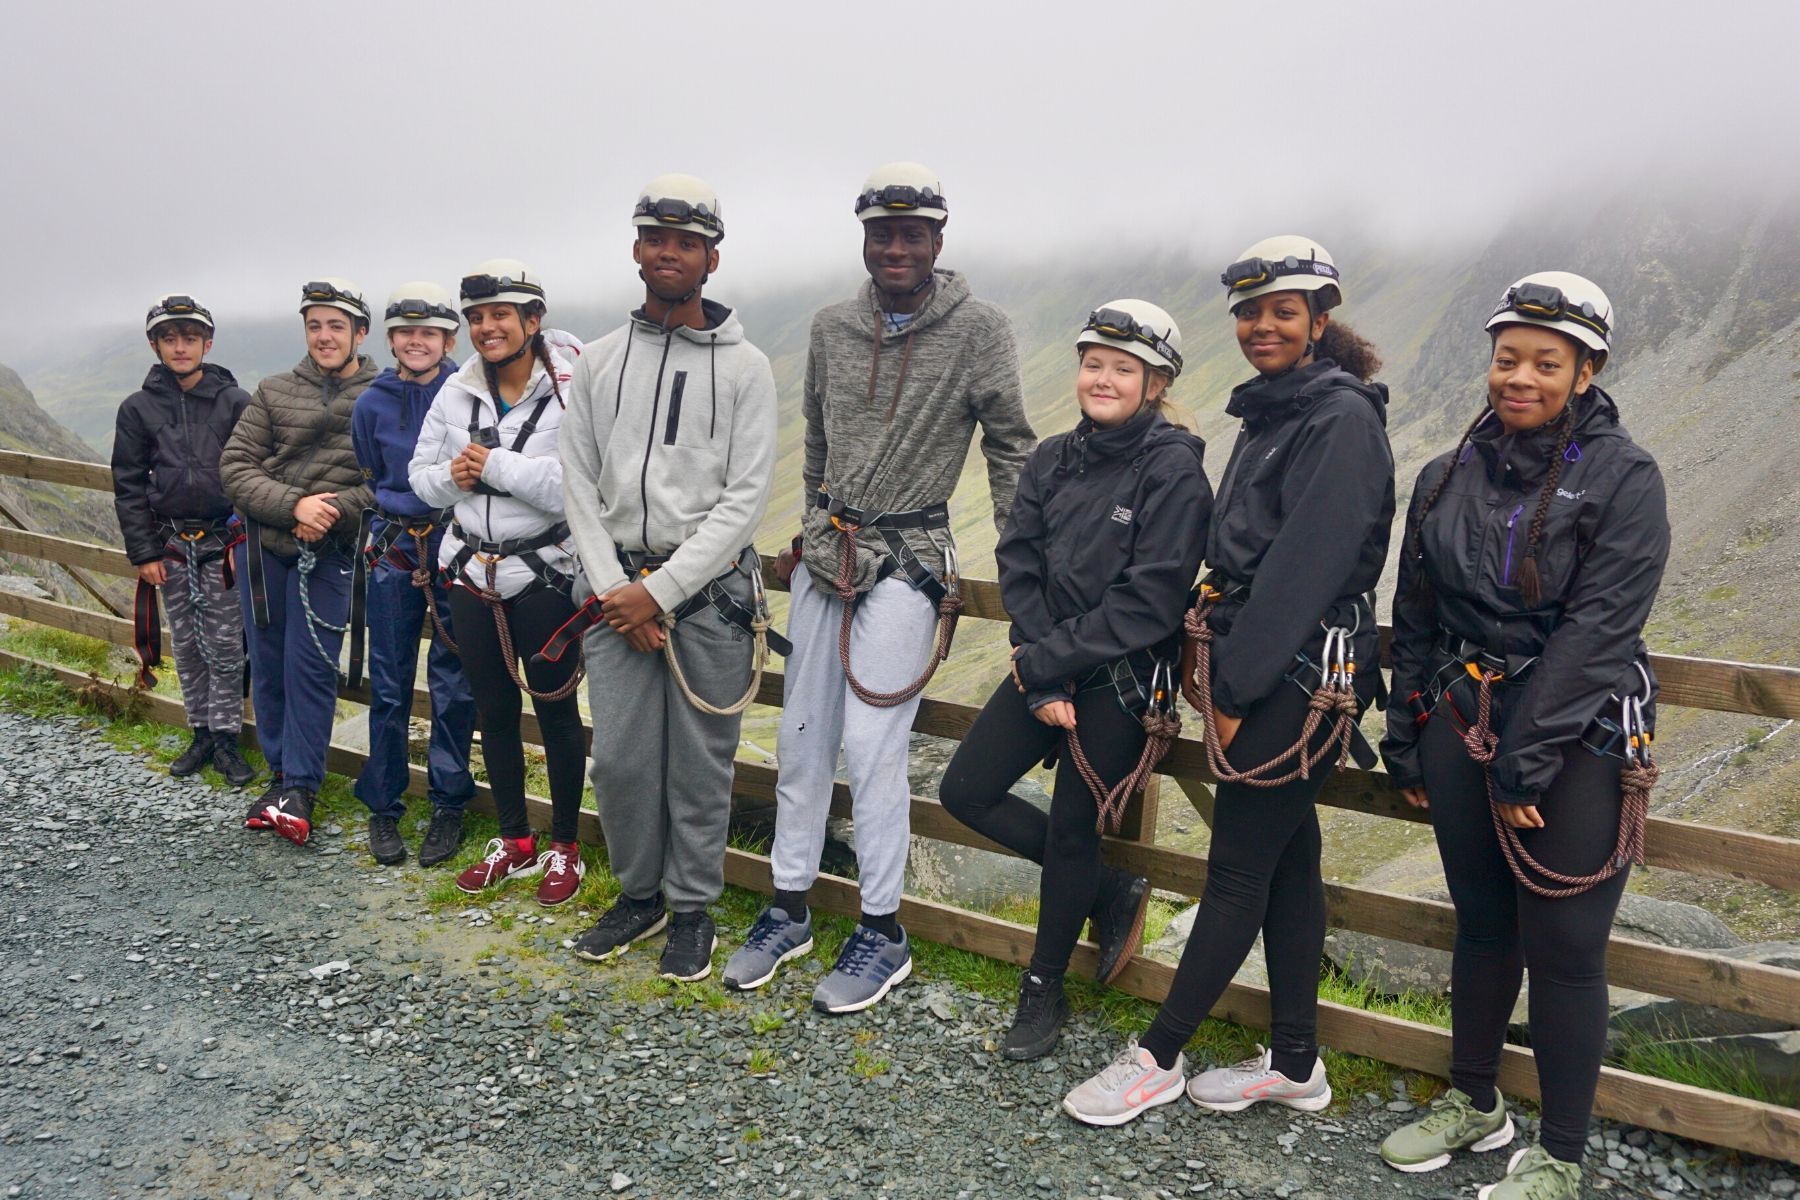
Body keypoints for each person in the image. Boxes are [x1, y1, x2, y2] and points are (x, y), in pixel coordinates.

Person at [1063, 235, 1394, 1125]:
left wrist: (1239, 693)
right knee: (1289, 863)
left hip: (1293, 664)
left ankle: (1156, 1055)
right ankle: (1295, 1065)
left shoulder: (1339, 419)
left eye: (1282, 309)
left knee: (1238, 867)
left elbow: (1307, 566)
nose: (1260, 325)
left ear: (1320, 319)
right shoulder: (1279, 410)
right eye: (1248, 311)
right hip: (1265, 653)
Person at [1377, 273, 1667, 1200]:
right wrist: (1405, 729)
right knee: (1485, 924)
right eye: (1509, 358)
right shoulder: (1447, 473)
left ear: (1587, 372)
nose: (1522, 377)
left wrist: (1524, 765)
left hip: (1574, 739)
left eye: (1548, 362)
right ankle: (1476, 1101)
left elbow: (1599, 633)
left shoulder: (1625, 479)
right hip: (1463, 720)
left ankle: (1564, 1155)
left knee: (1568, 947)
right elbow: (1415, 608)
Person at [722, 161, 1035, 1013]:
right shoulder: (831, 327)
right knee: (802, 739)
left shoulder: (979, 331)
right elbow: (819, 438)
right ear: (864, 238)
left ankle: (883, 930)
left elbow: (1009, 445)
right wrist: (816, 518)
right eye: (880, 232)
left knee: (872, 749)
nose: (895, 246)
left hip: (910, 559)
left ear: (938, 239)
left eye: (911, 233)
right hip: (831, 554)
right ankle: (788, 907)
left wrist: (1024, 564)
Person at [939, 300, 1210, 1059]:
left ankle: (1043, 986)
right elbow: (1019, 559)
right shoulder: (1052, 457)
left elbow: (1151, 598)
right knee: (966, 790)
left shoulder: (1174, 469)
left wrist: (1048, 664)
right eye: (1095, 362)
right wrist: (1037, 665)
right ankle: (1106, 889)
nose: (1104, 377)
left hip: (1120, 681)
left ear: (1156, 382)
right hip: (1048, 664)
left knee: (1068, 831)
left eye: (1124, 368)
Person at [555, 174, 779, 982]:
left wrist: (662, 592)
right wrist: (622, 591)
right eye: (656, 238)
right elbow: (579, 482)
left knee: (698, 762)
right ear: (637, 249)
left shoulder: (747, 368)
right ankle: (638, 894)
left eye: (687, 242)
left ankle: (692, 908)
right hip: (615, 597)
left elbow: (744, 498)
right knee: (617, 758)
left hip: (707, 599)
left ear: (710, 258)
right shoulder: (600, 363)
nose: (669, 253)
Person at [408, 261, 587, 907]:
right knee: (494, 711)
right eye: (476, 317)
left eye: (500, 315)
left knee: (556, 711)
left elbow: (578, 488)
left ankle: (565, 847)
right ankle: (516, 842)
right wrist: (455, 477)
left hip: (543, 575)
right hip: (472, 575)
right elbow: (418, 478)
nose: (486, 327)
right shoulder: (455, 391)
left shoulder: (572, 388)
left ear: (532, 321)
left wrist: (496, 466)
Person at [222, 279, 379, 844]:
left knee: (310, 669)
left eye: (337, 326)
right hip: (266, 553)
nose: (324, 335)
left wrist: (331, 511)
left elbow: (389, 481)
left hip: (330, 555)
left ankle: (301, 787)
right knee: (267, 666)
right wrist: (294, 506)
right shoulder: (274, 390)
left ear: (360, 333)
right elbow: (236, 467)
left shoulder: (381, 395)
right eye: (315, 325)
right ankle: (280, 776)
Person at [349, 283, 478, 867]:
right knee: (391, 679)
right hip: (396, 545)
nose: (416, 341)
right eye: (405, 332)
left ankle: (449, 805)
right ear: (391, 339)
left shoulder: (467, 394)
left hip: (455, 544)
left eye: (428, 332)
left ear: (448, 339)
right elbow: (370, 467)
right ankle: (385, 806)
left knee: (455, 680)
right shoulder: (371, 403)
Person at [112, 293, 256, 787]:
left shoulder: (236, 402)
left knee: (227, 647)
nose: (180, 347)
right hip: (171, 547)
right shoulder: (137, 409)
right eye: (169, 338)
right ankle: (200, 733)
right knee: (189, 646)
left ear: (207, 343)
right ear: (155, 344)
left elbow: (255, 469)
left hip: (224, 546)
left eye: (189, 337)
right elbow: (128, 483)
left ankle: (227, 739)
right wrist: (144, 552)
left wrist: (245, 538)